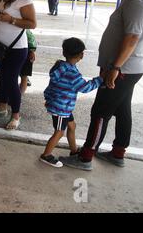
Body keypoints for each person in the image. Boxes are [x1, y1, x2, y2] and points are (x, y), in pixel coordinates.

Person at [60, 0, 143, 171]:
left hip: (123, 69)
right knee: (122, 110)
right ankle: (118, 152)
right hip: (126, 68)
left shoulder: (137, 1)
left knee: (100, 111)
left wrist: (115, 68)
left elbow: (132, 38)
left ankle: (85, 157)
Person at [40, 38, 103, 167]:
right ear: (81, 55)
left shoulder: (61, 66)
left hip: (64, 106)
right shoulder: (71, 73)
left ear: (64, 52)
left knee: (72, 126)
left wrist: (48, 98)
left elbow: (51, 86)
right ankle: (46, 155)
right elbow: (85, 87)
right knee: (59, 132)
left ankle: (74, 151)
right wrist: (100, 80)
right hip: (61, 108)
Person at [0, 0, 37, 130]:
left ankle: (16, 115)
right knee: (3, 77)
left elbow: (32, 23)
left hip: (16, 48)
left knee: (10, 81)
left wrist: (11, 20)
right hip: (0, 46)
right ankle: (2, 107)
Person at [19, 29, 37, 94]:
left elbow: (31, 39)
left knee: (24, 76)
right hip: (25, 52)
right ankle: (17, 95)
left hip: (26, 52)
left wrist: (32, 51)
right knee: (23, 76)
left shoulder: (25, 28)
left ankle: (19, 95)